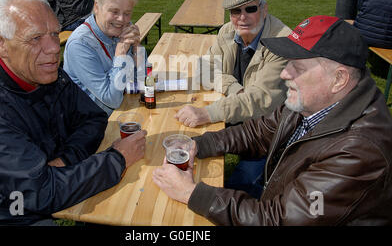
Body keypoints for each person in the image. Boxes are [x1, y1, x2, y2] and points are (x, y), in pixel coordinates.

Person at [153, 15, 392, 225]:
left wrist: (192, 194)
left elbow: (280, 220)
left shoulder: (360, 151)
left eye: (298, 67)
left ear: (339, 79)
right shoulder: (313, 100)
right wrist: (199, 144)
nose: (285, 73)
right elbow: (258, 131)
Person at [0, 0, 147, 226]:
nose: (54, 48)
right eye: (35, 38)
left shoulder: (46, 75)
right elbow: (41, 193)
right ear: (0, 43)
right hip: (4, 216)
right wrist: (117, 159)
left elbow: (93, 119)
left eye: (54, 33)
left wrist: (65, 160)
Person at [175, 0, 291, 128]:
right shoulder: (227, 31)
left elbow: (262, 100)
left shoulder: (281, 42)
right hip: (234, 112)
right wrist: (234, 88)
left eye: (250, 9)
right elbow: (204, 69)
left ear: (264, 9)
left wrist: (207, 113)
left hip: (267, 127)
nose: (242, 17)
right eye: (236, 11)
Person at [63, 0, 145, 116]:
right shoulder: (80, 44)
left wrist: (137, 49)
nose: (122, 19)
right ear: (96, 7)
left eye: (127, 13)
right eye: (114, 12)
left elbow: (142, 78)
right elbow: (112, 99)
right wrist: (120, 56)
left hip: (125, 106)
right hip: (94, 122)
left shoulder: (121, 29)